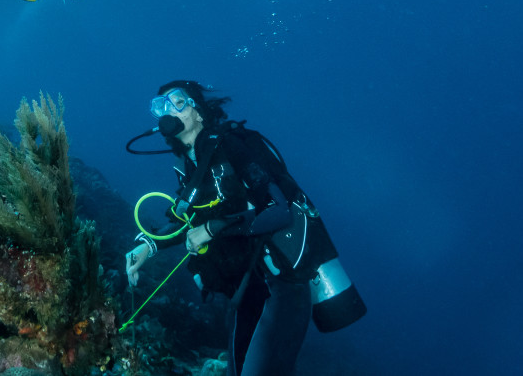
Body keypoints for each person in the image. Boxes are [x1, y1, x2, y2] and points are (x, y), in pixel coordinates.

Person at [124, 80, 362, 376]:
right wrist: (149, 246)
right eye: (160, 106)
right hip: (249, 289)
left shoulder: (233, 146)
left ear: (199, 112)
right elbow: (190, 223)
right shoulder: (194, 167)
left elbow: (279, 211)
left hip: (282, 283)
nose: (168, 110)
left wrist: (212, 228)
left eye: (178, 102)